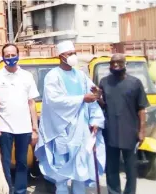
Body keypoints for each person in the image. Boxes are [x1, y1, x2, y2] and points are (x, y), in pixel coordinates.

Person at [34, 40, 106, 194]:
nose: (73, 56)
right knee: (61, 169)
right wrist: (81, 98)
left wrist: (95, 119)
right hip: (61, 130)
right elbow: (54, 101)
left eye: (74, 53)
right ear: (61, 56)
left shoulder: (81, 75)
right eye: (70, 54)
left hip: (81, 129)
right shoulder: (52, 76)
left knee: (80, 168)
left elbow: (92, 97)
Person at [0, 43, 39, 194]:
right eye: (7, 55)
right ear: (3, 57)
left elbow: (31, 103)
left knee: (22, 162)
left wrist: (35, 129)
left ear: (18, 55)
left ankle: (21, 190)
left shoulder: (27, 76)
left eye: (13, 55)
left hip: (24, 128)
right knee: (5, 162)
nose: (10, 58)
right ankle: (7, 190)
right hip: (3, 127)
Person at [98, 53, 149, 194]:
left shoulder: (135, 83)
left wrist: (142, 130)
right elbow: (103, 105)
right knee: (112, 167)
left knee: (130, 167)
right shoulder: (104, 82)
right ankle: (113, 191)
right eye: (113, 62)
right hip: (110, 131)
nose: (115, 65)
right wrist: (98, 98)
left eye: (119, 62)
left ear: (125, 64)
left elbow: (141, 109)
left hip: (130, 131)